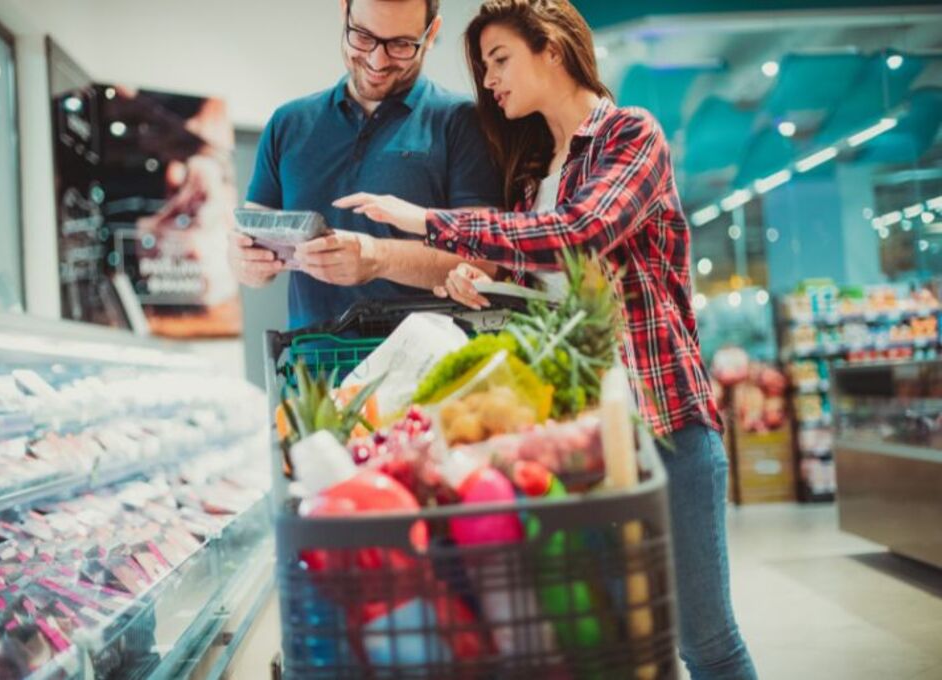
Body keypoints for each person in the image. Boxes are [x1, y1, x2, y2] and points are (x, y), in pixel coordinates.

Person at [334, 1, 759, 678]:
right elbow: (545, 287)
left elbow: (580, 233)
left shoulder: (630, 135)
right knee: (623, 643)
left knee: (703, 640)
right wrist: (483, 282)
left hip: (665, 424)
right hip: (581, 438)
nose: (490, 80)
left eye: (499, 59)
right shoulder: (534, 179)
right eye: (482, 68)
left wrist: (430, 223)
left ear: (553, 49)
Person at [231, 0, 502, 329]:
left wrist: (377, 258)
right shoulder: (288, 123)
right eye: (362, 36)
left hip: (427, 370)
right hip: (312, 367)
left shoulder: (462, 122)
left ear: (432, 34)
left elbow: (485, 262)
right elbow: (250, 241)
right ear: (344, 12)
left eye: (401, 44)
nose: (378, 60)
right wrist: (245, 262)